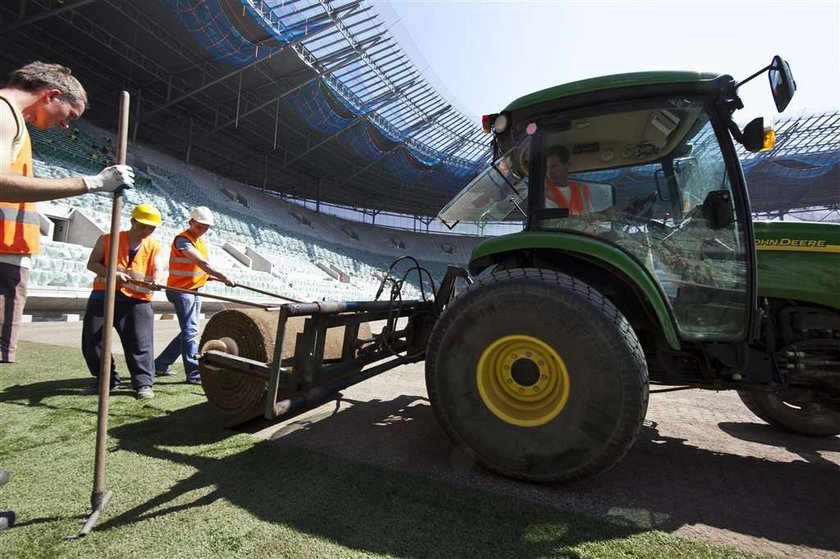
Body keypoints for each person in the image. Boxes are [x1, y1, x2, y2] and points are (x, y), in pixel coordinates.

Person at [0, 61, 134, 363]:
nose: (66, 126)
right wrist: (92, 183)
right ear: (51, 95)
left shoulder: (14, 121)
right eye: (69, 115)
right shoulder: (3, 113)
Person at [82, 204, 164, 399]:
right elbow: (92, 263)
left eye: (151, 228)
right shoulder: (107, 239)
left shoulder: (154, 246)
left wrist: (156, 281)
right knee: (93, 342)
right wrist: (113, 273)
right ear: (132, 221)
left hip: (137, 301)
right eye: (142, 226)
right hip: (103, 297)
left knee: (140, 343)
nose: (147, 231)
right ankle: (106, 381)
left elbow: (158, 268)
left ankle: (143, 384)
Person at [155, 206, 235, 384]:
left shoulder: (199, 240)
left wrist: (212, 278)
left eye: (206, 228)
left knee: (188, 331)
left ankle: (161, 364)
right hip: (181, 291)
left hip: (194, 289)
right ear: (191, 222)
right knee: (190, 331)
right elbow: (200, 262)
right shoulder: (183, 240)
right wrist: (223, 277)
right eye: (200, 226)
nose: (203, 230)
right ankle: (193, 373)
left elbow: (197, 269)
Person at [544, 145, 592, 215]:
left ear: (567, 165)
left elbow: (591, 217)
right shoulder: (543, 193)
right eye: (546, 168)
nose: (549, 171)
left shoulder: (582, 190)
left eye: (553, 166)